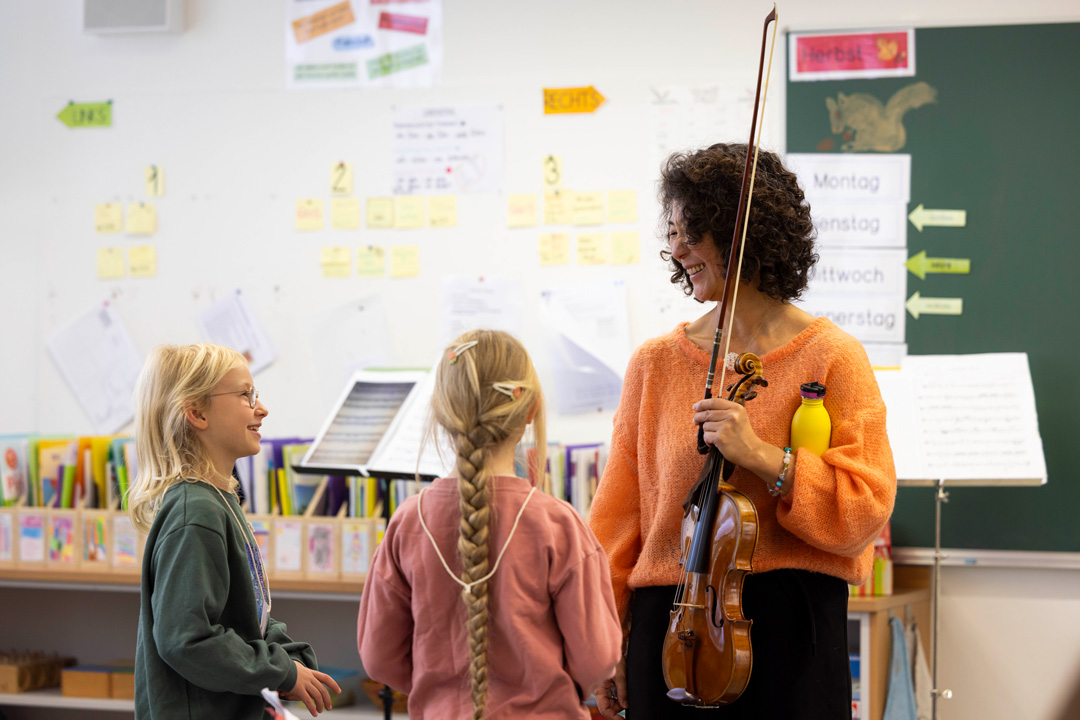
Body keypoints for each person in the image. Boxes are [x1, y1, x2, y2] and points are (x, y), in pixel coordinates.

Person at [590, 144, 897, 719]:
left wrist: (765, 458)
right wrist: (607, 637)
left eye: (693, 231)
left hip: (792, 635)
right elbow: (617, 519)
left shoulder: (832, 359)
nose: (677, 250)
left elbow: (865, 509)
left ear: (744, 233)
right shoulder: (654, 364)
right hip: (673, 632)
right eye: (673, 233)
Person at [357, 329, 622, 720]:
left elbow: (379, 658)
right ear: (530, 410)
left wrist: (443, 695)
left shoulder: (409, 522)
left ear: (443, 411)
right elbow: (597, 658)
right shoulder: (557, 523)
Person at [129, 343, 340, 719]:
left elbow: (245, 614)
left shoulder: (219, 498)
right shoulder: (196, 511)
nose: (262, 408)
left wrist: (287, 658)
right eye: (245, 395)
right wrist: (280, 671)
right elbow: (186, 640)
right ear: (196, 412)